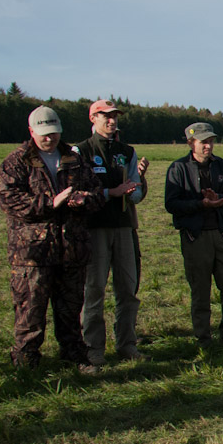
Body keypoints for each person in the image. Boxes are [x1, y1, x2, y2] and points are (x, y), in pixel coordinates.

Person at [0, 106, 104, 372]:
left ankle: (75, 358)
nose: (49, 138)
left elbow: (98, 194)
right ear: (31, 131)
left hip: (72, 251)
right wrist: (50, 203)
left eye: (54, 133)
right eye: (44, 134)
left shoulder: (74, 158)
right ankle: (27, 365)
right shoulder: (16, 161)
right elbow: (9, 201)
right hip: (33, 255)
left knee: (70, 311)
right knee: (30, 314)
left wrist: (84, 200)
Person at [76, 99, 146, 365]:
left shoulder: (127, 151)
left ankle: (127, 344)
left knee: (128, 289)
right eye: (105, 116)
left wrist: (134, 189)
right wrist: (110, 192)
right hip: (94, 228)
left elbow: (136, 191)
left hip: (124, 226)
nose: (111, 120)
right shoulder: (80, 151)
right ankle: (93, 350)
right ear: (93, 118)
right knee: (93, 290)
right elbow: (78, 190)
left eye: (115, 116)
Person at [164, 122, 223, 348]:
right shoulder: (178, 169)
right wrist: (200, 204)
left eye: (210, 141)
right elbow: (171, 204)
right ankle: (203, 337)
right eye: (203, 142)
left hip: (222, 232)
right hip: (195, 235)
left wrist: (221, 200)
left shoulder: (221, 165)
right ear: (191, 143)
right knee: (200, 289)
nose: (208, 146)